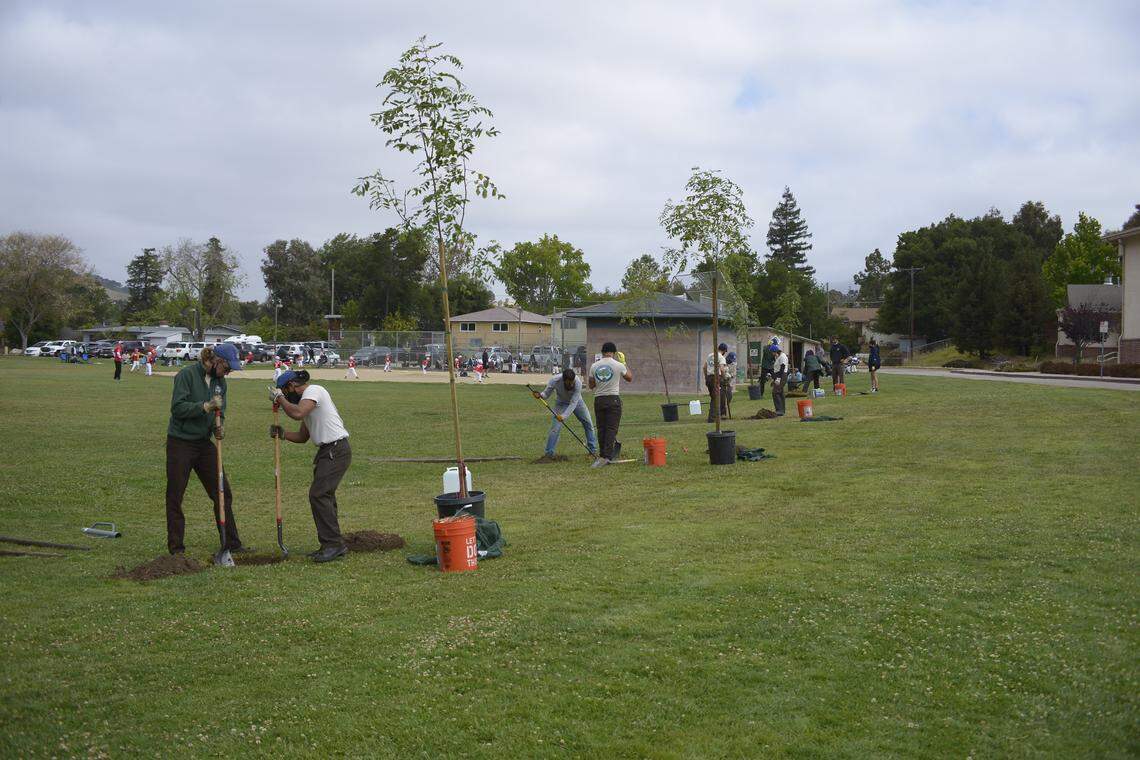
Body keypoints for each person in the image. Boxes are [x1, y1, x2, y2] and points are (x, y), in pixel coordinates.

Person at [164, 343, 248, 555]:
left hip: (203, 443)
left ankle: (231, 543)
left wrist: (219, 427)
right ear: (215, 360)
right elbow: (178, 408)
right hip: (180, 442)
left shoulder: (220, 383)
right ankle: (176, 549)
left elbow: (221, 411)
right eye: (227, 368)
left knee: (222, 492)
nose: (228, 373)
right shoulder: (186, 375)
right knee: (175, 495)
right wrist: (205, 406)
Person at [269, 370, 351, 563]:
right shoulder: (307, 403)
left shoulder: (314, 390)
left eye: (284, 391)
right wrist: (282, 434)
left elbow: (297, 413)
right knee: (324, 496)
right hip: (327, 451)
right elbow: (303, 437)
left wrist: (279, 398)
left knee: (319, 494)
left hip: (336, 449)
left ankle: (334, 545)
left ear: (291, 386)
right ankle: (330, 544)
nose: (286, 395)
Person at [535, 368, 598, 461]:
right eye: (569, 383)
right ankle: (549, 454)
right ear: (563, 380)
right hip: (560, 403)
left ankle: (593, 451)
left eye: (572, 382)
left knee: (588, 423)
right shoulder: (554, 380)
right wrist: (540, 395)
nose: (571, 385)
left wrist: (563, 416)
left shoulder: (578, 383)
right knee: (555, 429)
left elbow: (573, 403)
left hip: (577, 402)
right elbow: (546, 394)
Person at [588, 342, 631, 467]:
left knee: (601, 428)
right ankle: (606, 456)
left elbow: (591, 385)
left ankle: (602, 455)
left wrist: (600, 379)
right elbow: (629, 378)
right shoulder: (618, 365)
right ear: (614, 352)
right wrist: (624, 363)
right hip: (613, 399)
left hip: (599, 399)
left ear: (602, 352)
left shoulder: (594, 366)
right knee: (611, 428)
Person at [704, 343, 730, 423]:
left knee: (713, 397)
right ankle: (712, 418)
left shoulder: (709, 355)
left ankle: (717, 415)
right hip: (716, 378)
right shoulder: (721, 357)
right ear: (724, 351)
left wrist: (706, 377)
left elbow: (704, 367)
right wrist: (723, 377)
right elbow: (722, 369)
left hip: (709, 378)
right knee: (716, 398)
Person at [770, 344, 789, 416]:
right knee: (780, 392)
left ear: (775, 351)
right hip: (779, 376)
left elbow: (782, 368)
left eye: (772, 352)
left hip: (782, 375)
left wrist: (778, 379)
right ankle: (782, 410)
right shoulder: (778, 357)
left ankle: (779, 410)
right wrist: (774, 379)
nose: (772, 354)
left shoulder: (782, 357)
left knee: (775, 392)